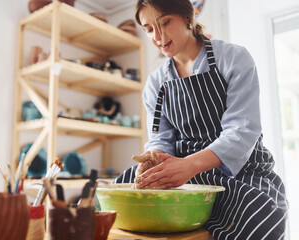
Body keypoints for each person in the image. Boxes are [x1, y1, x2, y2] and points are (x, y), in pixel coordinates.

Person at [114, 0, 288, 239]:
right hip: (181, 171)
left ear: (187, 17)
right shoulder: (156, 83)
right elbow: (160, 137)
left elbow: (242, 130)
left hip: (241, 172)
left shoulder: (234, 57)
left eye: (165, 22)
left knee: (261, 213)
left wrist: (189, 165)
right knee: (117, 189)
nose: (158, 36)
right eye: (149, 29)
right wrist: (153, 161)